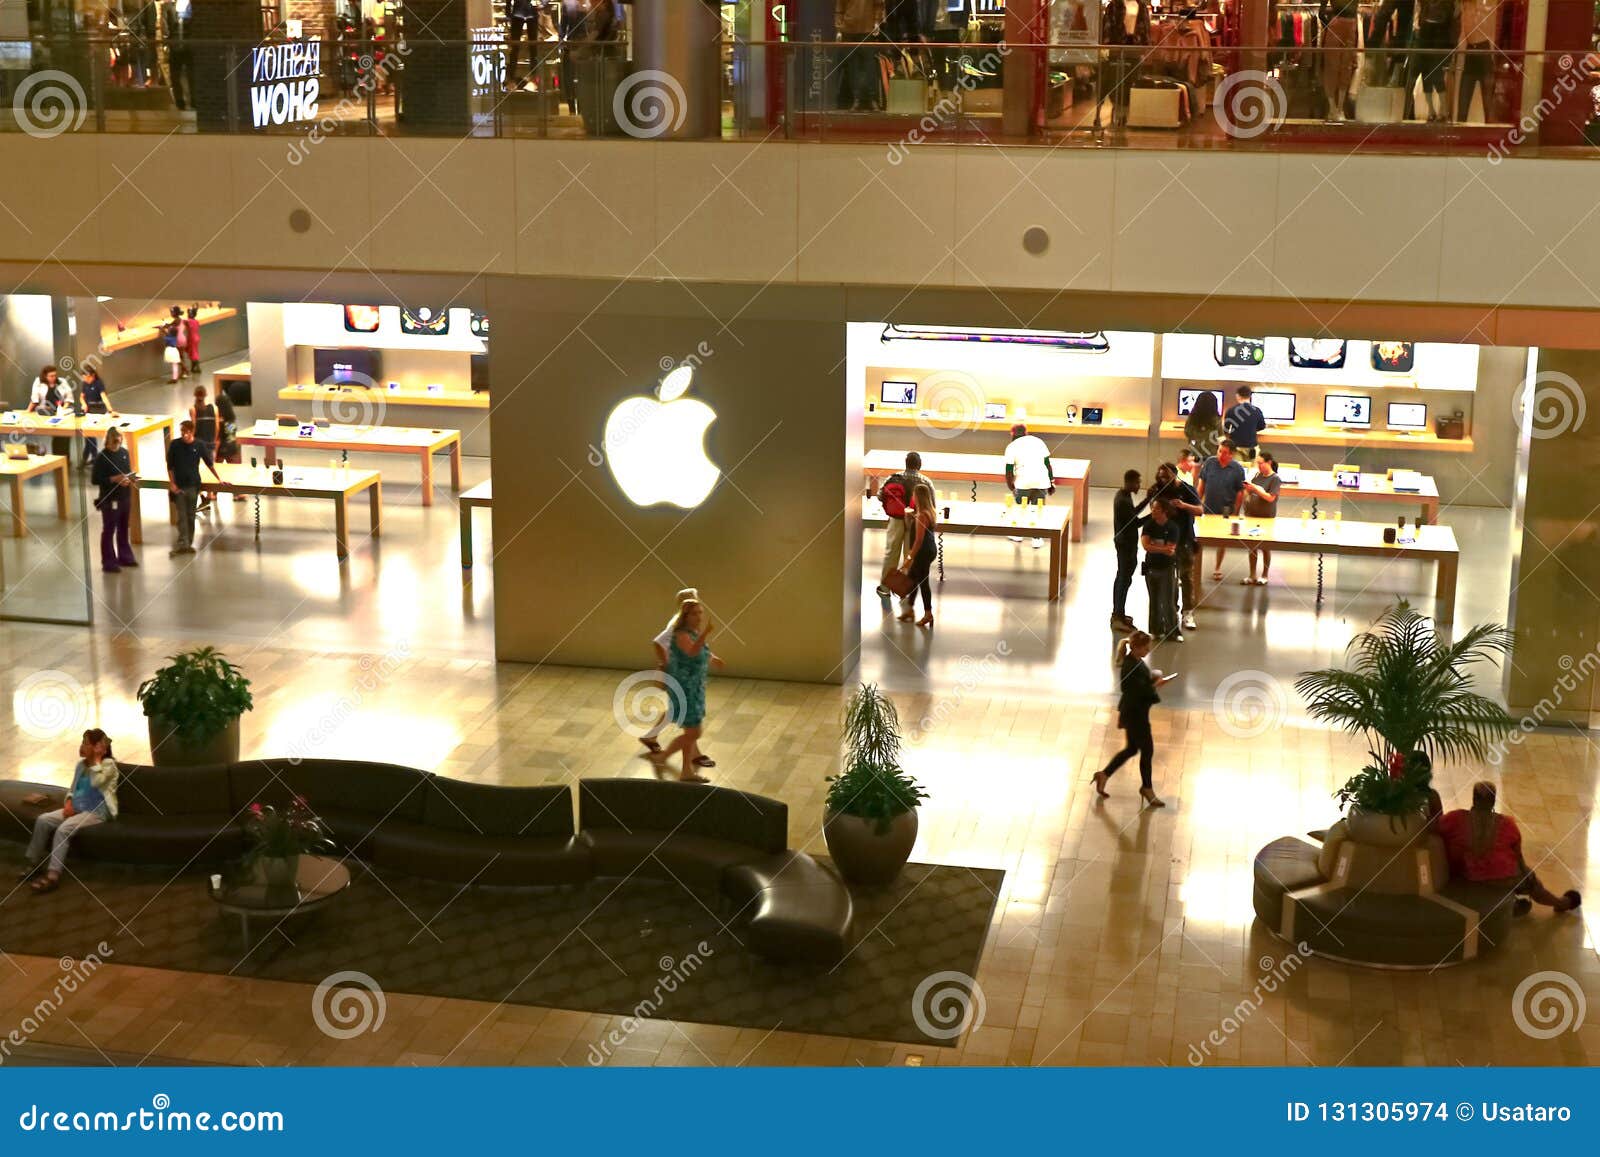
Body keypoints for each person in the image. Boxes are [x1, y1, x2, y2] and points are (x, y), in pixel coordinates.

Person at [1437, 782, 1582, 916]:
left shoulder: (1455, 818)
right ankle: (1562, 903)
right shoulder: (1507, 824)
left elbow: (1436, 829)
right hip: (1502, 880)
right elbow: (1519, 858)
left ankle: (1510, 906)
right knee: (1528, 879)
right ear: (1493, 801)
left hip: (1466, 878)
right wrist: (1528, 878)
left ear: (1474, 799)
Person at [19, 729, 120, 894]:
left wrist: (95, 759)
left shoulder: (109, 767)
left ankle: (53, 875)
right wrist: (68, 803)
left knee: (63, 829)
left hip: (96, 812)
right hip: (76, 808)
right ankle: (33, 863)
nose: (82, 746)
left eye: (86, 743)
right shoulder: (80, 765)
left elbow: (97, 783)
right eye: (83, 742)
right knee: (43, 819)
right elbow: (72, 790)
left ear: (97, 747)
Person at [1092, 631, 1175, 808]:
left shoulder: (1134, 661)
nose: (1148, 650)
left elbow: (1138, 686)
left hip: (1134, 712)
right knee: (1147, 751)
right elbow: (1134, 690)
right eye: (1146, 647)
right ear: (1136, 647)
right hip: (1136, 714)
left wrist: (1151, 681)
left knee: (1131, 749)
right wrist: (1155, 685)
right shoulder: (1130, 666)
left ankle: (1104, 775)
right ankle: (1147, 788)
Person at [639, 587, 714, 771]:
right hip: (680, 675)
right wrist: (665, 665)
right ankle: (692, 755)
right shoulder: (677, 625)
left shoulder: (688, 625)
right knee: (688, 718)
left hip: (685, 674)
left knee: (677, 711)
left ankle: (651, 737)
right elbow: (658, 642)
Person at [651, 599, 724, 784]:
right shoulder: (681, 634)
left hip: (695, 687)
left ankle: (686, 771)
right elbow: (691, 651)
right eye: (694, 613)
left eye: (700, 612)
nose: (699, 617)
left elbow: (700, 651)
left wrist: (713, 659)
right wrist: (706, 633)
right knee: (693, 733)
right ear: (685, 616)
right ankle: (665, 757)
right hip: (685, 689)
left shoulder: (693, 632)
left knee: (691, 732)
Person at [1151, 455, 1203, 632]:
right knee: (1167, 579)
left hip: (1184, 540)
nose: (1162, 480)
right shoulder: (1158, 490)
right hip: (1163, 542)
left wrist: (1182, 506)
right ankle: (1169, 612)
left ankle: (1188, 612)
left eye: (1166, 477)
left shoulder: (1187, 489)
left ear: (1174, 475)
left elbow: (1200, 510)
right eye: (1160, 477)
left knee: (1186, 577)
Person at [166, 418, 222, 556]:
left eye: (187, 431)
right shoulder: (174, 445)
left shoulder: (199, 445)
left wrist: (219, 479)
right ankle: (182, 543)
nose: (184, 434)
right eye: (182, 431)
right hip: (179, 487)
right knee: (182, 517)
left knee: (190, 515)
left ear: (192, 432)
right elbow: (170, 466)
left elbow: (209, 464)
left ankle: (188, 543)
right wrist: (172, 483)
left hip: (193, 486)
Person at [875, 451, 927, 600]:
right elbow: (931, 503)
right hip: (916, 520)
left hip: (896, 520)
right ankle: (905, 590)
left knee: (891, 553)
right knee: (909, 555)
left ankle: (885, 588)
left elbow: (880, 495)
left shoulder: (893, 478)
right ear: (919, 464)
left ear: (906, 464)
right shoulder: (925, 481)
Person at [1198, 439, 1248, 580]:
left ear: (1231, 455)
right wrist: (1197, 502)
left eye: (1225, 453)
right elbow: (1201, 484)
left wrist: (1236, 511)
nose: (1221, 454)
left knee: (1222, 540)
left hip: (1226, 509)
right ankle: (1195, 567)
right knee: (1200, 538)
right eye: (1219, 451)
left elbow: (1240, 492)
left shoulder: (1237, 469)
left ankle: (1217, 567)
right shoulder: (1209, 463)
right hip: (1208, 505)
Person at [92, 427, 138, 573]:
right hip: (110, 499)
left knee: (124, 528)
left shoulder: (124, 453)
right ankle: (108, 561)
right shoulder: (101, 457)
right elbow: (95, 479)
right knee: (109, 529)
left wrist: (128, 479)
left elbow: (127, 471)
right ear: (107, 441)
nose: (115, 444)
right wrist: (114, 479)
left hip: (124, 496)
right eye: (113, 442)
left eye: (118, 441)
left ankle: (125, 557)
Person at [1003, 422, 1054, 549]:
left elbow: (1009, 470)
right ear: (1026, 432)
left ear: (1012, 434)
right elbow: (1048, 464)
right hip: (1041, 481)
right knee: (1038, 510)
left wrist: (1012, 487)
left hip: (1023, 483)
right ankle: (1037, 538)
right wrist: (1051, 482)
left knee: (1021, 509)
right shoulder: (1038, 441)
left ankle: (1019, 535)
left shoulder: (1011, 447)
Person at [1110, 467, 1149, 630]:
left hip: (1125, 543)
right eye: (1138, 482)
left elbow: (1133, 514)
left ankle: (1119, 613)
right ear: (1131, 482)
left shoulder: (1123, 496)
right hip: (1126, 545)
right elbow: (1136, 523)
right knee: (1124, 579)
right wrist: (1154, 515)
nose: (1139, 485)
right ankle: (1117, 616)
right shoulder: (1123, 501)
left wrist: (1147, 500)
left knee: (1123, 578)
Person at [898, 480, 939, 628]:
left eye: (914, 495)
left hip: (923, 552)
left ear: (918, 497)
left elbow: (918, 540)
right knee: (913, 579)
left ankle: (928, 614)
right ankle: (909, 609)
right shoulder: (929, 512)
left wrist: (909, 558)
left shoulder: (922, 515)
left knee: (923, 583)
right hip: (930, 549)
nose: (913, 497)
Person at [1140, 498, 1181, 642]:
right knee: (1154, 600)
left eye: (1156, 509)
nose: (1153, 511)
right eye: (1152, 508)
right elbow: (1145, 545)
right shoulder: (1149, 525)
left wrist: (1155, 547)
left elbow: (1171, 550)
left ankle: (1172, 631)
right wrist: (1162, 549)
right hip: (1151, 568)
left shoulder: (1172, 528)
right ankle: (1156, 630)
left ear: (1164, 511)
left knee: (1168, 600)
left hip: (1167, 568)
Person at [1240, 451, 1281, 586]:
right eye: (1257, 463)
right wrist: (1247, 490)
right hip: (1252, 515)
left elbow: (1270, 497)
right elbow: (1250, 491)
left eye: (1261, 463)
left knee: (1265, 547)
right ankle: (1252, 574)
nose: (1258, 466)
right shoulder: (1257, 476)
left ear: (1268, 463)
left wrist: (1256, 489)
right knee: (1252, 547)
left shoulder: (1275, 479)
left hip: (1266, 517)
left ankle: (1265, 575)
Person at [78, 365, 119, 468]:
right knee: (88, 436)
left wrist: (110, 411)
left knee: (89, 437)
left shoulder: (98, 383)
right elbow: (81, 397)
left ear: (92, 375)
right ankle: (92, 459)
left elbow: (104, 397)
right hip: (89, 412)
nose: (85, 379)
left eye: (86, 377)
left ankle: (90, 459)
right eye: (83, 377)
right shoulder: (84, 384)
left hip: (99, 412)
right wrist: (84, 404)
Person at [189, 385, 220, 510]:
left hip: (198, 442)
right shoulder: (214, 408)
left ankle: (201, 493)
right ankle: (210, 493)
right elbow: (217, 426)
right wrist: (215, 439)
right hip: (210, 441)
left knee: (195, 468)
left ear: (195, 395)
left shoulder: (193, 409)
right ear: (206, 395)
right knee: (210, 466)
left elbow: (193, 426)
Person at [1222, 385, 1266, 465]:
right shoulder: (1257, 411)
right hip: (1252, 447)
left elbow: (1226, 429)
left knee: (1237, 471)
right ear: (1250, 396)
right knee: (1252, 472)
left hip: (1235, 447)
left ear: (1237, 396)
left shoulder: (1231, 411)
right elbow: (1262, 426)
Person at [1183, 389, 1222, 460]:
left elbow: (1187, 432)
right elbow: (1220, 437)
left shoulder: (1192, 418)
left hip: (1195, 452)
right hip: (1211, 453)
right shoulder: (1216, 419)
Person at [161, 307, 184, 382]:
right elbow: (170, 327)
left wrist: (163, 331)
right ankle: (179, 374)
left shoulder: (176, 323)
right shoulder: (176, 323)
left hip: (177, 343)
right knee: (177, 361)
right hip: (178, 340)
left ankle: (183, 372)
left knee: (178, 361)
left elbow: (168, 335)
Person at [185, 305, 202, 376]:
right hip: (196, 338)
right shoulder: (196, 321)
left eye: (189, 313)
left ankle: (197, 367)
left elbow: (181, 322)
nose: (188, 314)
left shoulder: (189, 321)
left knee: (193, 353)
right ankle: (193, 367)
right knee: (193, 352)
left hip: (192, 339)